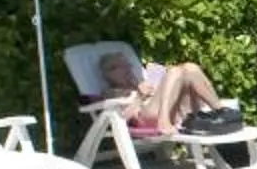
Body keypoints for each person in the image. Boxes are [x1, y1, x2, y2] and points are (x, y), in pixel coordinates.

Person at [96, 49, 227, 136]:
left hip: (177, 113)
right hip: (147, 118)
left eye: (126, 65)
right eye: (116, 67)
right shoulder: (111, 92)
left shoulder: (142, 80)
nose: (125, 69)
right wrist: (139, 98)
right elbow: (121, 119)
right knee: (174, 71)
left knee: (190, 68)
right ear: (107, 74)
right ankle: (163, 122)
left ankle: (223, 113)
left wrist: (161, 84)